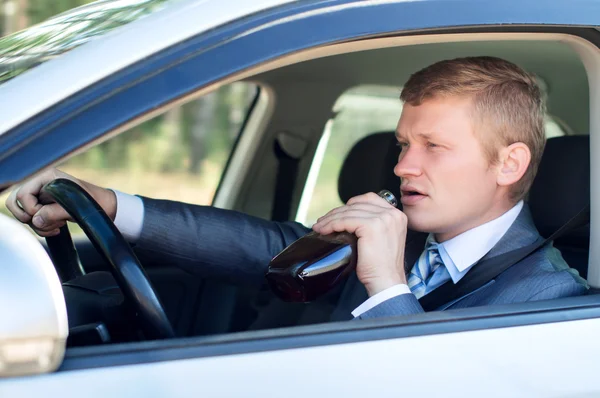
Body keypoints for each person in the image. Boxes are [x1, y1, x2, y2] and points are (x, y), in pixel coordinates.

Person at [6, 56, 588, 321]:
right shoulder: (399, 235)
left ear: (509, 164)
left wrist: (385, 285)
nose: (404, 167)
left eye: (433, 147)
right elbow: (260, 246)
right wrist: (109, 205)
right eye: (403, 144)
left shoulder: (557, 304)